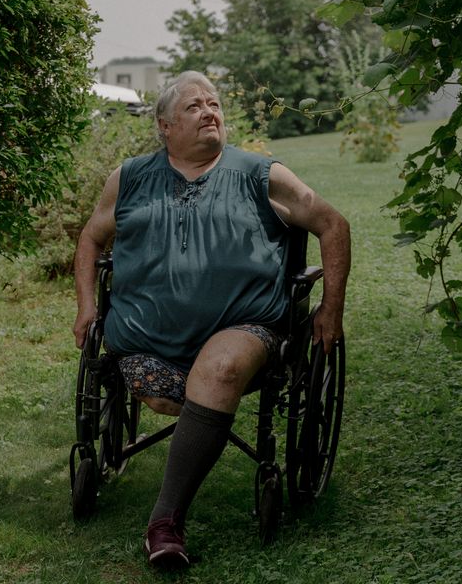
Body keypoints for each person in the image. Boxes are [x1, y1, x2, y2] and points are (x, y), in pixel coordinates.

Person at [72, 71, 351, 569]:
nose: (209, 113)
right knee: (163, 396)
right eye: (194, 107)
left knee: (217, 371)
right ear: (164, 126)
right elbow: (92, 239)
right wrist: (88, 307)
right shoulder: (131, 178)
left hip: (243, 329)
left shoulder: (258, 174)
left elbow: (332, 223)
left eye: (214, 104)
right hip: (145, 340)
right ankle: (199, 421)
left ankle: (164, 522)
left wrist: (331, 307)